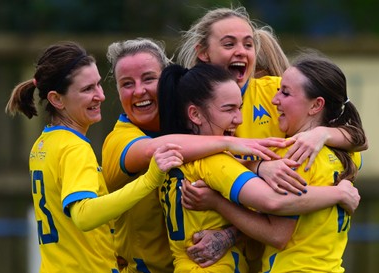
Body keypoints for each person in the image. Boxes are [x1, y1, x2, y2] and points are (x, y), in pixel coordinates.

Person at [102, 38, 292, 273]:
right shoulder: (120, 141)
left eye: (149, 78)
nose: (139, 90)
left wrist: (255, 168)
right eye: (127, 84)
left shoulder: (207, 142)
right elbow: (155, 150)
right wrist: (230, 144)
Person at [157, 62, 360, 273]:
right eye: (229, 109)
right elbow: (359, 139)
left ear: (316, 105)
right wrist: (339, 193)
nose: (274, 100)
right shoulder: (348, 155)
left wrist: (216, 201)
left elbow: (277, 232)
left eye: (286, 93)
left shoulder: (296, 156)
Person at [4, 41, 184, 273]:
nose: (100, 96)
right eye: (87, 89)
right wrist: (149, 180)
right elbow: (84, 215)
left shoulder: (43, 144)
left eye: (98, 85)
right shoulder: (74, 148)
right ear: (57, 99)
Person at [176, 6, 368, 194]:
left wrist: (322, 134)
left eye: (248, 44)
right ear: (203, 52)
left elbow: (358, 142)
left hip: (268, 216)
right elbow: (169, 153)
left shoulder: (276, 92)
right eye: (229, 44)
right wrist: (257, 166)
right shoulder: (185, 100)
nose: (241, 51)